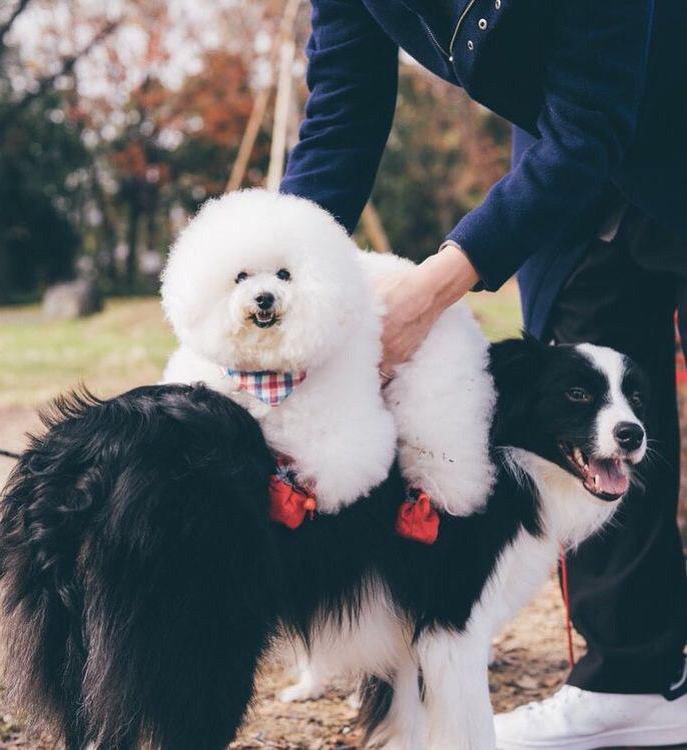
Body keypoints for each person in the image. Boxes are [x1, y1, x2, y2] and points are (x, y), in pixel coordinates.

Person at [279, 1, 687, 747]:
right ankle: (634, 680)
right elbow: (342, 112)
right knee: (587, 420)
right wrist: (273, 273)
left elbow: (593, 119)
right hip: (566, 186)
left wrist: (435, 286)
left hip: (649, 112)